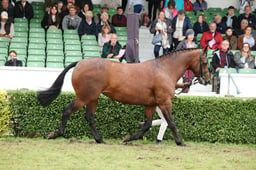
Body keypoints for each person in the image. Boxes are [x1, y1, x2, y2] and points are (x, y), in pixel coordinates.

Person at [176, 29, 197, 93]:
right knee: (185, 78)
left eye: (193, 35)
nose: (192, 36)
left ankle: (185, 91)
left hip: (191, 64)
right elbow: (177, 51)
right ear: (187, 36)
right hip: (183, 63)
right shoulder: (182, 43)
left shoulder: (195, 45)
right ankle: (184, 92)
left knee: (190, 78)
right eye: (190, 35)